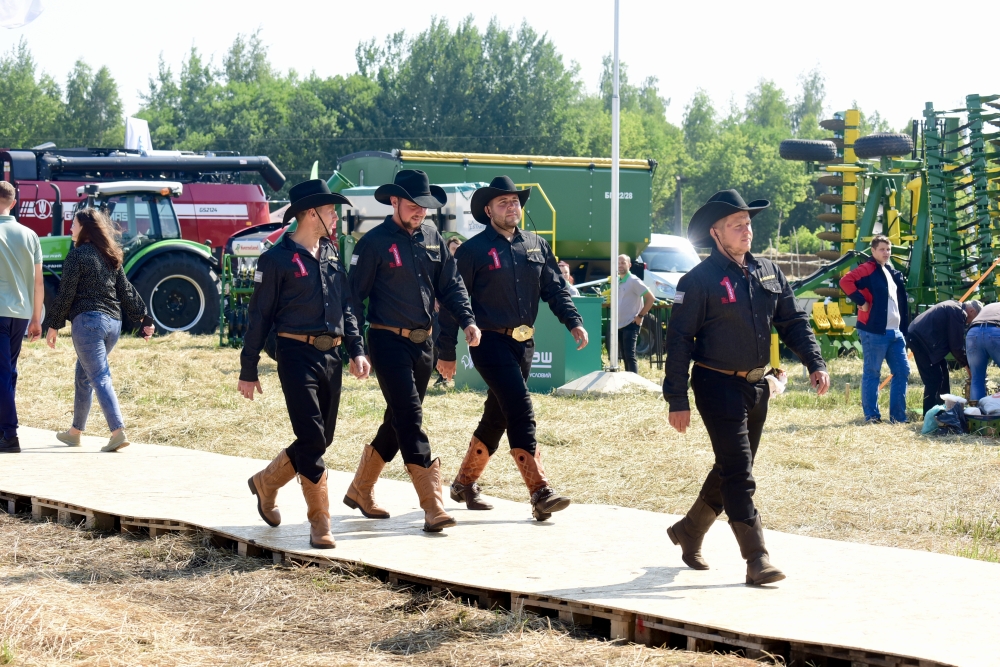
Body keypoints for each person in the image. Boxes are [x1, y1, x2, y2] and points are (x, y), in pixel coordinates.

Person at [663, 189, 829, 586]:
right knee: (739, 471)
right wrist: (676, 398)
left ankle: (689, 530)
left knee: (732, 467)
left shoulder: (768, 271)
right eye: (736, 225)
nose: (746, 230)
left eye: (748, 223)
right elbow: (679, 341)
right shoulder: (698, 281)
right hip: (715, 384)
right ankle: (757, 559)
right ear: (716, 233)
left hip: (757, 387)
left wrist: (814, 362)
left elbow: (793, 322)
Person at [438, 176, 589, 521]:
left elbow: (556, 289)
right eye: (503, 202)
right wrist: (445, 351)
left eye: (515, 201)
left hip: (524, 344)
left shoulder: (536, 245)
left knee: (498, 415)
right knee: (520, 408)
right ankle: (540, 492)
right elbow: (451, 301)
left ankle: (463, 484)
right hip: (489, 342)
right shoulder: (473, 251)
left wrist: (574, 321)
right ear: (488, 210)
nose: (511, 207)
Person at [346, 170, 480, 533]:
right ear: (394, 202)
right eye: (413, 205)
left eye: (425, 206)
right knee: (409, 416)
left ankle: (360, 489)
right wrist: (356, 348)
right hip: (387, 342)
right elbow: (352, 300)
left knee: (398, 419)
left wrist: (467, 320)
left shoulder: (434, 237)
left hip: (424, 345)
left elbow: (451, 285)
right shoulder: (372, 243)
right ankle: (432, 505)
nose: (420, 211)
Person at [239, 179, 370, 550]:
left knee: (323, 438)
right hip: (295, 355)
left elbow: (347, 306)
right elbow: (259, 317)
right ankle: (320, 521)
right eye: (330, 211)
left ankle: (266, 482)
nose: (335, 217)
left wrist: (357, 349)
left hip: (332, 356)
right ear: (312, 214)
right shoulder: (276, 259)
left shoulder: (331, 254)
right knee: (312, 438)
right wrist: (248, 369)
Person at [42, 208, 155, 452]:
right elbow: (126, 290)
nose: (70, 228)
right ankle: (74, 433)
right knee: (83, 377)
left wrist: (53, 325)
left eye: (74, 224)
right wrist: (144, 318)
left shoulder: (77, 255)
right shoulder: (109, 254)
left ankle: (118, 431)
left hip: (89, 324)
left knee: (99, 377)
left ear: (84, 228)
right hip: (113, 325)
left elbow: (66, 293)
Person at [839, 234, 910, 423]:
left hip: (895, 332)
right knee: (872, 373)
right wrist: (861, 301)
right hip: (874, 331)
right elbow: (845, 281)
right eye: (882, 249)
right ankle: (872, 416)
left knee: (903, 371)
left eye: (888, 249)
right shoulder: (867, 268)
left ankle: (898, 417)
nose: (886, 252)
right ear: (873, 251)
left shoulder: (889, 270)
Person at [0, 181, 43, 454]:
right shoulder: (30, 235)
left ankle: (10, 434)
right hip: (21, 314)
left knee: (3, 373)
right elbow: (38, 282)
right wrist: (36, 318)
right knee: (9, 372)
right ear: (13, 203)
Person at [906, 299, 980, 414]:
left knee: (944, 373)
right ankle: (929, 414)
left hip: (925, 339)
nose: (969, 323)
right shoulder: (958, 312)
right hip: (921, 340)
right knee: (934, 379)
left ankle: (943, 410)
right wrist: (967, 366)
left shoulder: (955, 307)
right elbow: (956, 346)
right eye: (974, 319)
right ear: (971, 311)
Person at [616, 254, 654, 373]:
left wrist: (640, 316)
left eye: (623, 263)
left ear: (629, 265)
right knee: (625, 356)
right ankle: (628, 379)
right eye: (618, 263)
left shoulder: (633, 280)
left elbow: (651, 298)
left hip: (631, 323)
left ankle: (634, 381)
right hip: (620, 324)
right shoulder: (618, 281)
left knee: (630, 356)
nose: (620, 265)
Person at [966, 302, 1000, 401]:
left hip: (973, 333)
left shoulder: (990, 305)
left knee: (977, 379)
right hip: (995, 331)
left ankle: (977, 409)